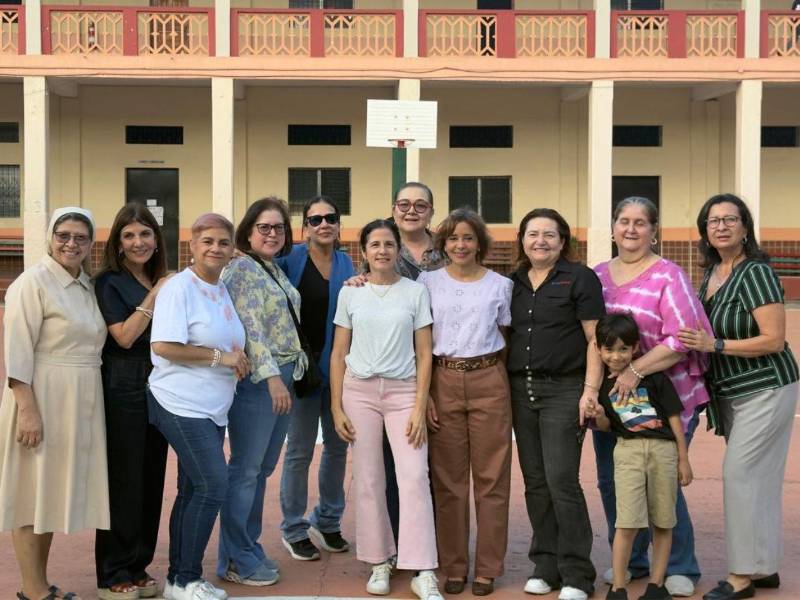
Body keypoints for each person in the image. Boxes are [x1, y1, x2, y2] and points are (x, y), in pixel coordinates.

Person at [677, 194, 799, 600]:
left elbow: (774, 339)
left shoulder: (756, 272)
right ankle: (764, 567)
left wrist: (716, 345)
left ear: (746, 227)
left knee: (740, 476)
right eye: (714, 221)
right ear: (704, 231)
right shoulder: (712, 273)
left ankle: (742, 576)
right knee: (759, 479)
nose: (722, 226)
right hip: (734, 393)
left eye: (731, 219)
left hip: (766, 387)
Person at [593, 197, 711, 597]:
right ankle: (633, 561)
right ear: (612, 228)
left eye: (640, 223)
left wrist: (634, 371)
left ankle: (680, 565)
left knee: (663, 481)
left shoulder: (668, 275)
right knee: (614, 480)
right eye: (623, 221)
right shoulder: (596, 276)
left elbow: (683, 337)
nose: (630, 229)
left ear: (654, 231)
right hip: (616, 405)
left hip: (666, 398)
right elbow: (590, 338)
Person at [330, 219, 442, 600]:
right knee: (369, 479)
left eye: (388, 244)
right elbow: (338, 353)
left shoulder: (415, 291)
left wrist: (419, 402)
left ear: (398, 249)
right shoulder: (350, 294)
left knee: (413, 475)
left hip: (403, 392)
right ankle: (380, 560)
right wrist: (336, 407)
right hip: (358, 392)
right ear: (363, 251)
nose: (382, 250)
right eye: (374, 244)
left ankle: (422, 568)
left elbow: (425, 352)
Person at [0, 207, 108, 600]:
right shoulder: (33, 282)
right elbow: (17, 352)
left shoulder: (86, 284)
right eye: (63, 234)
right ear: (50, 236)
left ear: (90, 243)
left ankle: (38, 585)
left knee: (46, 494)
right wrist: (27, 410)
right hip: (41, 397)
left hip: (77, 400)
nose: (71, 243)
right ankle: (33, 590)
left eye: (81, 237)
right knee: (30, 495)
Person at [148, 213, 249, 600]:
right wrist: (219, 358)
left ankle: (178, 581)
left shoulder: (220, 288)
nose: (215, 248)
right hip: (179, 402)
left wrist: (238, 358)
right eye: (207, 241)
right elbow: (163, 346)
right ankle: (187, 578)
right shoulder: (179, 288)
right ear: (192, 245)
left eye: (223, 242)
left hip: (212, 407)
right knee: (212, 485)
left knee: (192, 490)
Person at [508, 208, 602, 600]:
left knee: (562, 481)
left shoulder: (580, 278)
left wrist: (590, 391)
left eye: (550, 234)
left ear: (563, 241)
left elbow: (595, 338)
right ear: (523, 240)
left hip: (564, 390)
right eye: (533, 234)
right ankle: (545, 565)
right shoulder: (511, 281)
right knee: (535, 484)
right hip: (520, 391)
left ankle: (578, 573)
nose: (540, 241)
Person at [419, 208, 513, 596]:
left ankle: (488, 568)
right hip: (441, 379)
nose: (460, 245)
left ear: (480, 244)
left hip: (489, 377)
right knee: (448, 481)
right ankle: (454, 566)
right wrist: (424, 394)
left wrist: (488, 372)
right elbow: (418, 340)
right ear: (443, 244)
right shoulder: (426, 283)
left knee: (492, 479)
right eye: (453, 238)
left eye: (468, 238)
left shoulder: (500, 286)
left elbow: (505, 333)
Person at [217, 197, 305, 585]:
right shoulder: (241, 269)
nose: (272, 233)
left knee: (261, 469)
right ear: (248, 232)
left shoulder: (270, 268)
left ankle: (246, 546)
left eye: (279, 228)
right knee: (246, 470)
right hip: (260, 381)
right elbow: (250, 329)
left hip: (283, 376)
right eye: (264, 227)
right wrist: (271, 379)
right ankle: (236, 557)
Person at [94, 203, 170, 600]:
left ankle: (139, 563)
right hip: (122, 385)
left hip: (159, 387)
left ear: (156, 239)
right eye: (129, 235)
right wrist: (156, 295)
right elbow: (123, 336)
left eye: (145, 234)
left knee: (152, 477)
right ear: (118, 243)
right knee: (124, 480)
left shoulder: (161, 278)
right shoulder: (109, 282)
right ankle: (112, 571)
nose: (138, 242)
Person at [589, 314, 693, 600]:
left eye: (623, 348)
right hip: (627, 451)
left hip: (664, 451)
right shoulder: (602, 387)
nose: (616, 355)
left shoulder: (654, 377)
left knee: (663, 520)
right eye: (609, 349)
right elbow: (608, 427)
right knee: (627, 522)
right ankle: (619, 586)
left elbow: (674, 418)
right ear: (598, 349)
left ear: (635, 348)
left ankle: (656, 585)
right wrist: (598, 417)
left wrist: (683, 458)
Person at [277, 196, 354, 560]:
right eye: (315, 219)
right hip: (302, 374)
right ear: (305, 225)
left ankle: (328, 520)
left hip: (338, 371)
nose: (324, 224)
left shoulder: (346, 262)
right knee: (299, 451)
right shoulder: (290, 259)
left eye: (330, 217)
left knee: (338, 448)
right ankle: (293, 527)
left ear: (338, 223)